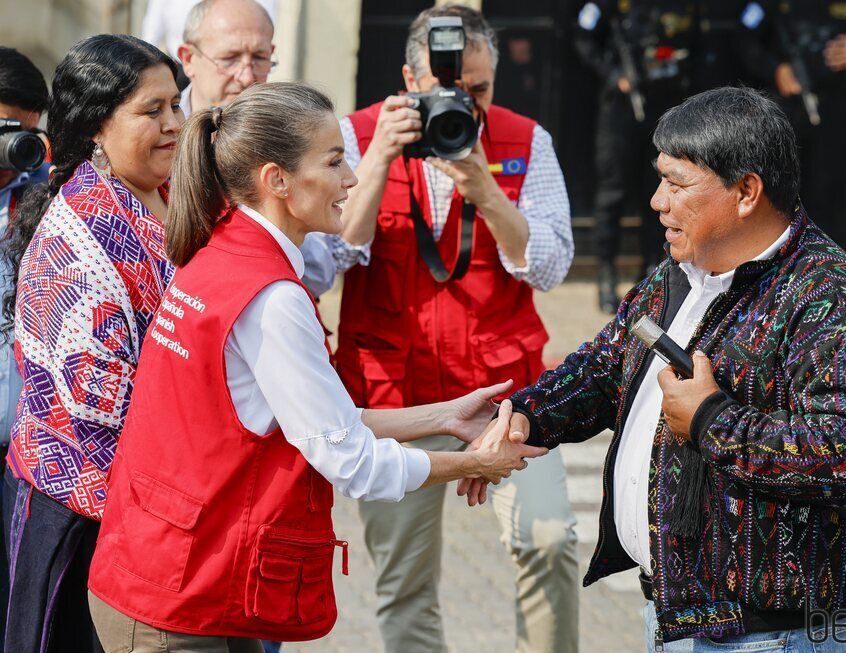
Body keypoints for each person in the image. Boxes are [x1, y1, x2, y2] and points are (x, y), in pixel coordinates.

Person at [85, 80, 545, 651]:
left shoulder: (223, 253)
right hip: (176, 596)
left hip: (182, 573)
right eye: (333, 161)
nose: (350, 178)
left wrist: (446, 417)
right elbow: (348, 460)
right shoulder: (271, 295)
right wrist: (474, 463)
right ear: (276, 180)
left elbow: (310, 419)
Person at [462, 87, 846, 651]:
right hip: (676, 618)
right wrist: (527, 415)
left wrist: (711, 420)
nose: (657, 201)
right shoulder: (686, 269)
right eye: (660, 181)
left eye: (677, 184)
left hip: (772, 638)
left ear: (747, 191)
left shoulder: (834, 304)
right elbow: (608, 365)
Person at [0, 33, 332, 653]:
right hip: (97, 519)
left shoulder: (179, 194)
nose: (174, 124)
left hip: (186, 509)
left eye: (175, 106)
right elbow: (103, 418)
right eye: (151, 112)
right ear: (97, 125)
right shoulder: (77, 243)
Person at [335, 5, 579, 652]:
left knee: (549, 538)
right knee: (405, 580)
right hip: (397, 396)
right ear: (410, 80)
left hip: (503, 389)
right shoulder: (355, 136)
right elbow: (334, 256)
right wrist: (380, 160)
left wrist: (488, 192)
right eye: (450, 87)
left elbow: (551, 265)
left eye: (480, 89)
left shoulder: (525, 140)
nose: (465, 104)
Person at [573, 0, 697, 312]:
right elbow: (584, 38)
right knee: (612, 192)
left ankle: (654, 269)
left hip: (665, 107)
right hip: (620, 110)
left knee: (658, 191)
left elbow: (692, 41)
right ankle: (606, 273)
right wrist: (614, 74)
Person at [737, 0, 846, 244]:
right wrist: (775, 70)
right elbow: (744, 42)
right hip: (784, 110)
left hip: (835, 107)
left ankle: (826, 261)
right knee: (779, 189)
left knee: (830, 187)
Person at [0, 44, 49, 650]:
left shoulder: (42, 195)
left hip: (23, 455)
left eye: (29, 135)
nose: (18, 152)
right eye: (7, 131)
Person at [176, 0, 276, 116]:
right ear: (188, 59)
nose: (247, 78)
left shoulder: (291, 130)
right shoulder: (159, 130)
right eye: (230, 59)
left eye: (260, 58)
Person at [142, 0, 278, 61]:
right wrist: (148, 60)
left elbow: (264, 25)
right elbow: (154, 24)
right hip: (178, 66)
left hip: (237, 62)